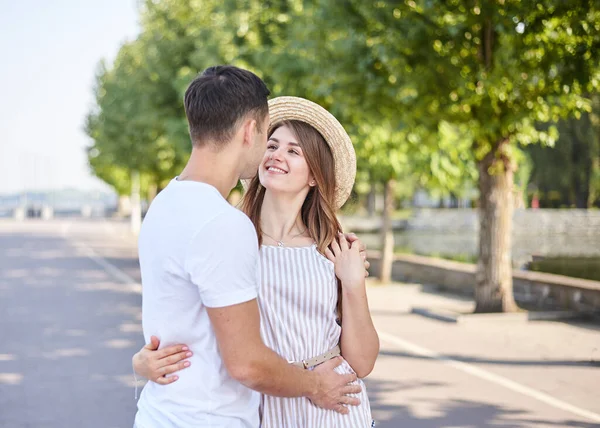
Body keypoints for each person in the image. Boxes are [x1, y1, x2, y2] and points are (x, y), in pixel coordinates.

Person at [133, 67, 364, 428]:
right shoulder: (226, 226)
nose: (273, 152)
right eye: (270, 139)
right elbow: (246, 363)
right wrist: (315, 384)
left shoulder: (163, 206)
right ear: (250, 131)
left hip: (167, 414)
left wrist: (139, 362)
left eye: (294, 150)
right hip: (217, 417)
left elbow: (179, 314)